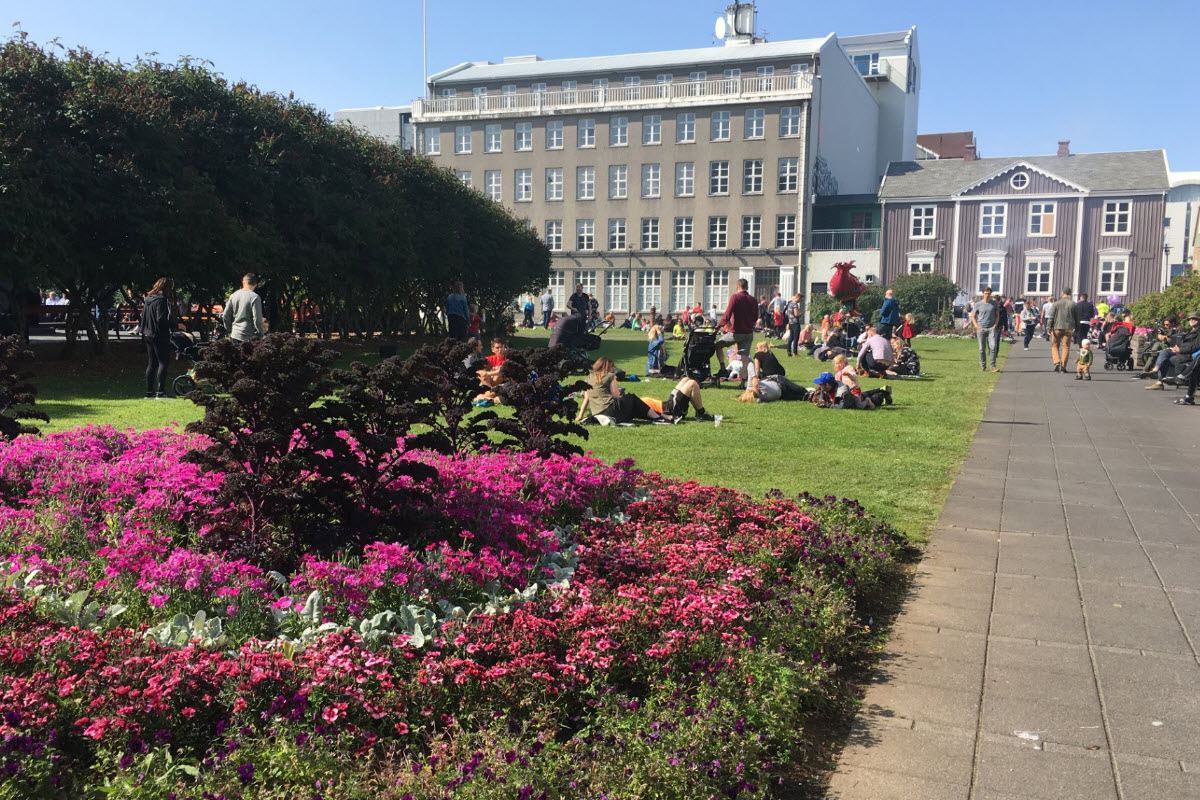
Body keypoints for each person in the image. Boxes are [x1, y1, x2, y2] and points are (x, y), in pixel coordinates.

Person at [574, 357, 668, 425]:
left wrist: (580, 416)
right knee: (632, 398)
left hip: (597, 412)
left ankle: (660, 417)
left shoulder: (589, 378)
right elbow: (615, 395)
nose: (613, 369)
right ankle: (658, 417)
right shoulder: (610, 376)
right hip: (611, 410)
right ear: (607, 367)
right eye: (612, 367)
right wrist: (620, 392)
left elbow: (586, 398)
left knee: (633, 407)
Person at [140, 277, 177, 399]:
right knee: (163, 362)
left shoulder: (148, 299)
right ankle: (161, 392)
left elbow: (144, 316)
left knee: (152, 363)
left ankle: (149, 392)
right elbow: (161, 319)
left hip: (148, 333)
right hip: (159, 334)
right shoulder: (162, 300)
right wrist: (174, 325)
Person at [715, 278, 758, 373]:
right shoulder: (753, 300)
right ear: (747, 287)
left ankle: (723, 368)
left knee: (718, 345)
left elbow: (727, 314)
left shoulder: (735, 297)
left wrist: (718, 326)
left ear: (737, 287)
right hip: (749, 333)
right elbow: (755, 317)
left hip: (736, 332)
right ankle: (743, 382)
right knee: (744, 358)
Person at [639, 377, 714, 421]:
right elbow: (652, 414)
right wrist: (667, 417)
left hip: (667, 404)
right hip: (671, 410)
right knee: (692, 384)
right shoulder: (634, 407)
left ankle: (699, 413)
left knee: (686, 379)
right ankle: (701, 413)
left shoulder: (632, 401)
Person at [222, 273, 264, 342]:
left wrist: (230, 330)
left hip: (234, 335)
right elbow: (257, 319)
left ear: (243, 282)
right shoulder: (255, 297)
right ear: (255, 285)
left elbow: (225, 316)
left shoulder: (233, 295)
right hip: (249, 337)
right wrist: (260, 334)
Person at [970, 288, 1000, 372]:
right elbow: (973, 316)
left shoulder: (994, 304)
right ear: (983, 294)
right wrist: (976, 325)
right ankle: (983, 366)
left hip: (991, 328)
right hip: (981, 328)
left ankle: (993, 366)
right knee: (981, 348)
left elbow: (997, 315)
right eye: (986, 293)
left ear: (991, 294)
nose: (987, 295)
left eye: (989, 293)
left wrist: (995, 325)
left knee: (993, 347)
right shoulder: (978, 304)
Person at [1048, 288, 1078, 373]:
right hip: (1069, 328)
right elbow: (1077, 318)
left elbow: (1051, 317)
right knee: (1066, 347)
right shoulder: (1073, 304)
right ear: (1070, 294)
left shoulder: (1056, 304)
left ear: (1062, 293)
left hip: (1057, 327)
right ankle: (1063, 366)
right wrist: (1077, 328)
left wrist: (1049, 328)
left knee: (1055, 346)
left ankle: (1057, 362)